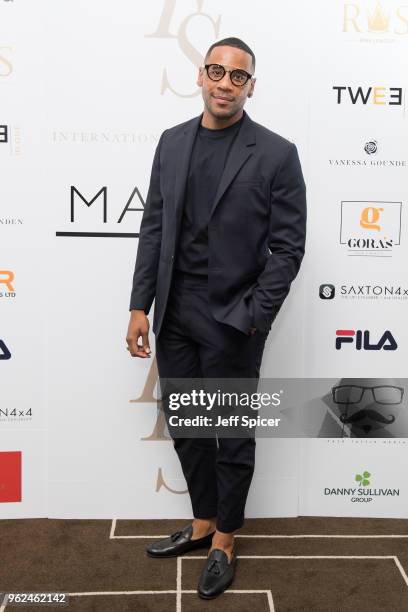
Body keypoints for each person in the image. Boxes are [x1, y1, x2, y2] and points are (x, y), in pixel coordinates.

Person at [126, 36, 307, 599]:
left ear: (250, 86)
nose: (225, 83)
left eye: (237, 76)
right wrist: (140, 304)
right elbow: (154, 227)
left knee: (231, 433)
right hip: (175, 312)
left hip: (233, 319)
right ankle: (203, 519)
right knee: (186, 427)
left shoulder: (276, 153)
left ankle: (226, 538)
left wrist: (255, 315)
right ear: (200, 77)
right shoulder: (172, 143)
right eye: (215, 71)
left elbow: (289, 248)